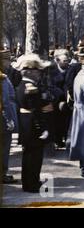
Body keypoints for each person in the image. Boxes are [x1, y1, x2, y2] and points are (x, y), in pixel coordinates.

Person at [12, 54, 52, 192]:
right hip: (32, 125)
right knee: (34, 157)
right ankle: (32, 184)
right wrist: (42, 128)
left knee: (29, 156)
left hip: (27, 125)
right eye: (37, 70)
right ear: (28, 71)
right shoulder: (30, 87)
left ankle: (29, 182)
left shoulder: (23, 85)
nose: (39, 73)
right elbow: (35, 110)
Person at [1, 49, 18, 184]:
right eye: (7, 60)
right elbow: (5, 101)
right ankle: (2, 174)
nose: (9, 63)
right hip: (3, 119)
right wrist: (9, 120)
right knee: (4, 148)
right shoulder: (2, 78)